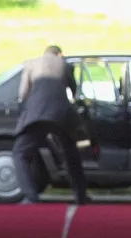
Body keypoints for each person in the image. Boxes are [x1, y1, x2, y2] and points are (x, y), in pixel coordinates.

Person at [12, 45, 89, 204]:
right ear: (60, 54)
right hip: (61, 115)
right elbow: (73, 91)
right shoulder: (65, 65)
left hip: (36, 114)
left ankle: (31, 196)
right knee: (71, 154)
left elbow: (23, 93)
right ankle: (81, 196)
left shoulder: (31, 64)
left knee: (20, 152)